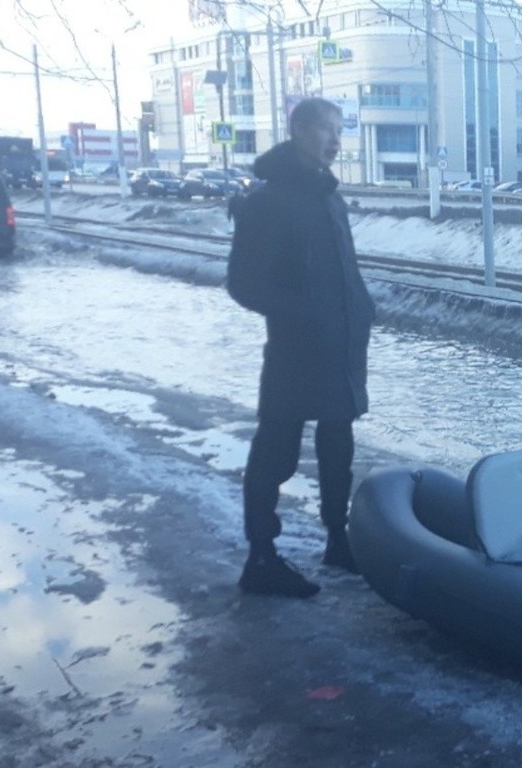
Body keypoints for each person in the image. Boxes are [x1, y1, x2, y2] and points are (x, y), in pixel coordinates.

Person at [226, 97, 376, 598]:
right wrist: (305, 314)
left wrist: (360, 307)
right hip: (296, 351)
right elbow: (243, 283)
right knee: (275, 452)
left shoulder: (328, 196)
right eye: (324, 130)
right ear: (297, 132)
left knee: (338, 450)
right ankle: (261, 557)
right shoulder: (269, 201)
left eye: (339, 130)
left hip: (341, 347)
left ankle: (338, 538)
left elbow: (340, 271)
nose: (335, 140)